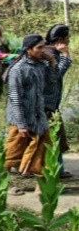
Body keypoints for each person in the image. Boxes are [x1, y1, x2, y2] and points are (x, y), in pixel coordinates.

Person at [5, 35, 52, 187]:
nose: (42, 51)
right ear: (28, 49)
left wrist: (52, 63)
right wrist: (21, 124)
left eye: (43, 47)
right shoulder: (18, 70)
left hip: (38, 115)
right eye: (39, 48)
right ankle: (6, 186)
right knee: (12, 154)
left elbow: (53, 82)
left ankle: (41, 186)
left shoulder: (41, 65)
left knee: (45, 149)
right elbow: (15, 98)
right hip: (21, 118)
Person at [43, 25, 73, 178]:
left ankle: (59, 170)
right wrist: (66, 55)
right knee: (51, 139)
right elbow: (56, 76)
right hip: (45, 105)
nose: (69, 40)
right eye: (67, 37)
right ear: (61, 39)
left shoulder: (52, 53)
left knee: (57, 138)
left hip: (51, 105)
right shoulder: (49, 55)